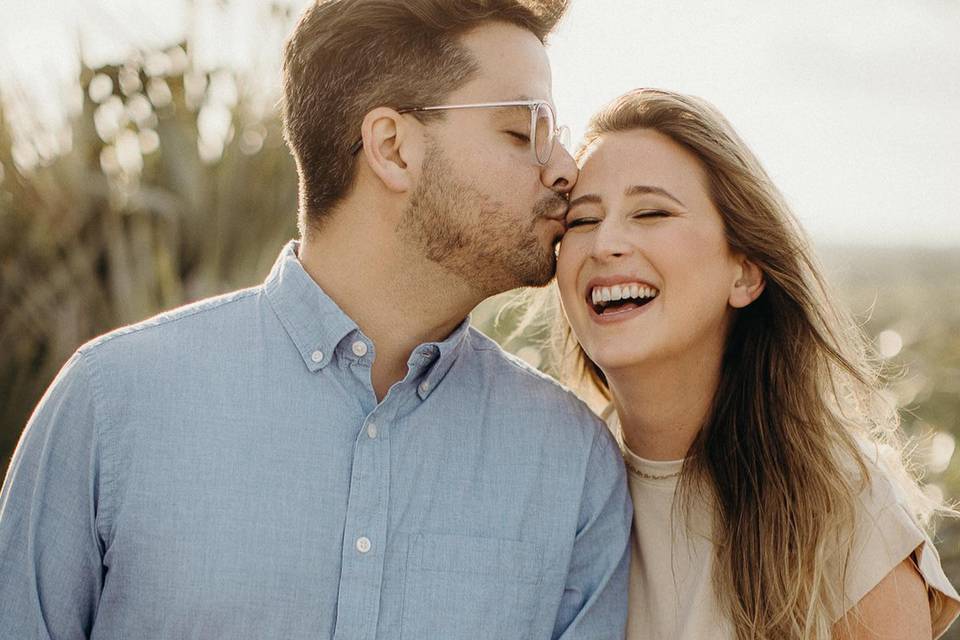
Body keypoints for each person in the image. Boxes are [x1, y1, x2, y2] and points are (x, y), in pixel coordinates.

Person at [0, 2, 633, 638]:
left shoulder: (573, 466)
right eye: (525, 131)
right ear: (392, 148)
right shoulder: (111, 406)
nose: (564, 168)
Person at [552, 88, 960, 639]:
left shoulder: (839, 508)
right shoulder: (549, 487)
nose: (606, 242)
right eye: (581, 221)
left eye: (651, 212)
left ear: (744, 272)